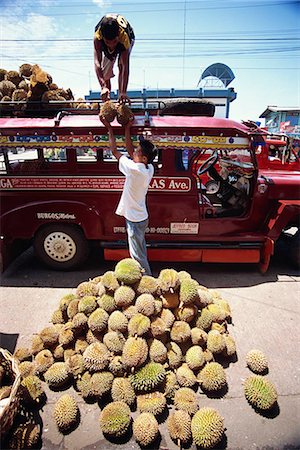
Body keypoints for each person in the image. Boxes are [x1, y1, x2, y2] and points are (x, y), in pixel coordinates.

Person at [100, 116, 157, 275]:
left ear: (143, 158)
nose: (134, 152)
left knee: (136, 254)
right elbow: (131, 150)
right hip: (141, 217)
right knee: (140, 248)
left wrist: (109, 128)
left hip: (134, 219)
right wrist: (127, 128)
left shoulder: (134, 170)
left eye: (138, 152)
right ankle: (145, 277)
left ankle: (147, 280)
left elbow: (114, 151)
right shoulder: (148, 169)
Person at [94, 14, 135, 104]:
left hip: (128, 37)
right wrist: (103, 86)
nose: (112, 45)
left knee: (121, 64)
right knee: (105, 71)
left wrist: (123, 91)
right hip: (109, 40)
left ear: (118, 36)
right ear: (103, 39)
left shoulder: (124, 38)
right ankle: (107, 98)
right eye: (108, 42)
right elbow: (97, 62)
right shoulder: (98, 37)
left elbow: (125, 67)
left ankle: (121, 97)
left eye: (114, 42)